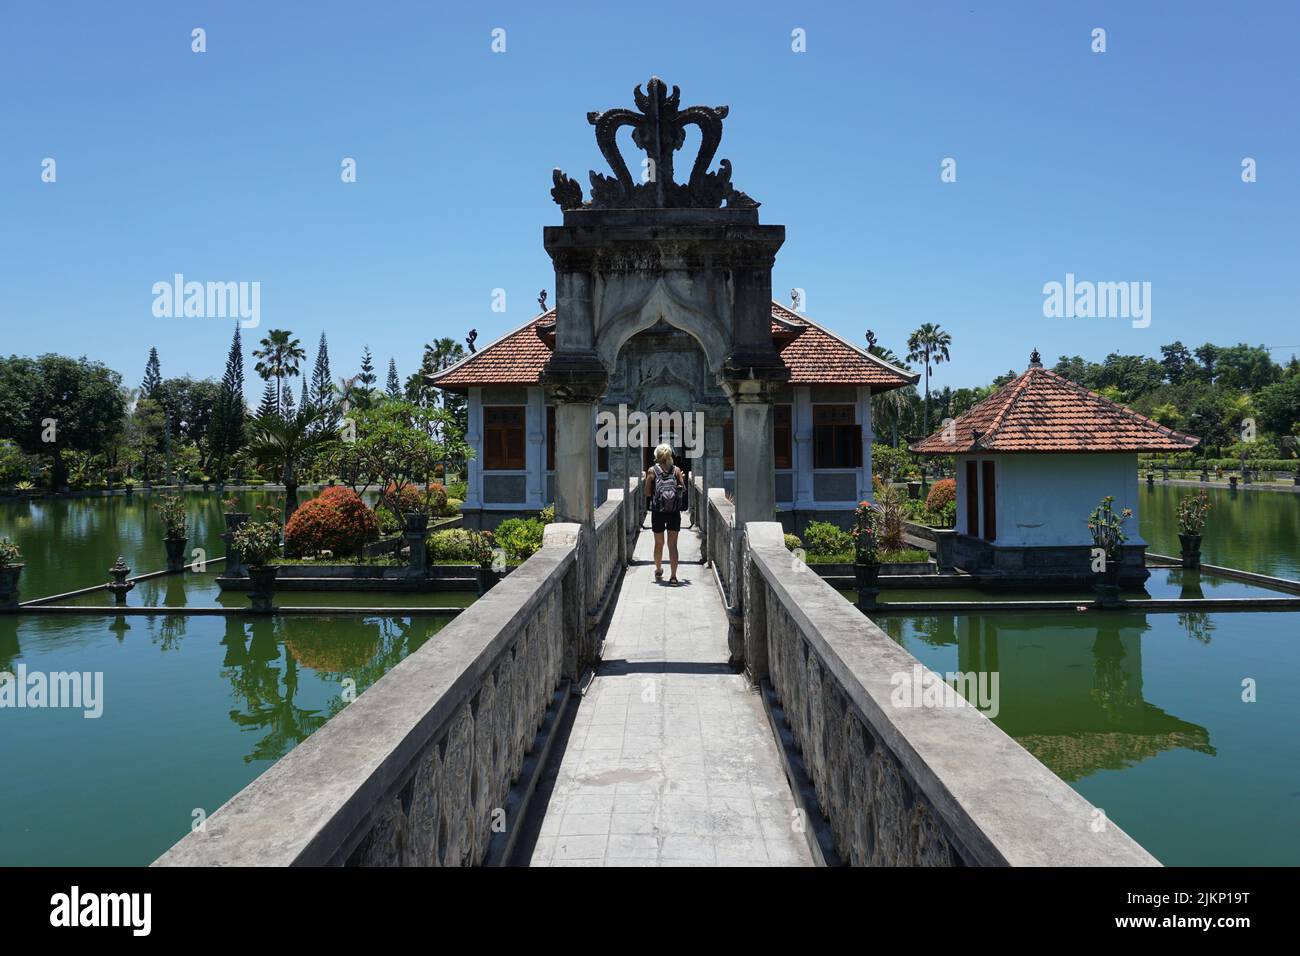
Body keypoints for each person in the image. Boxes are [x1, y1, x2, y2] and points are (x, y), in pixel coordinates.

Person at [645, 443, 685, 584]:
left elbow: (647, 492)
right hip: (674, 511)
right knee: (673, 545)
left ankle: (658, 569)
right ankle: (673, 577)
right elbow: (682, 491)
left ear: (657, 455)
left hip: (658, 511)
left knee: (658, 543)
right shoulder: (676, 470)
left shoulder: (652, 471)